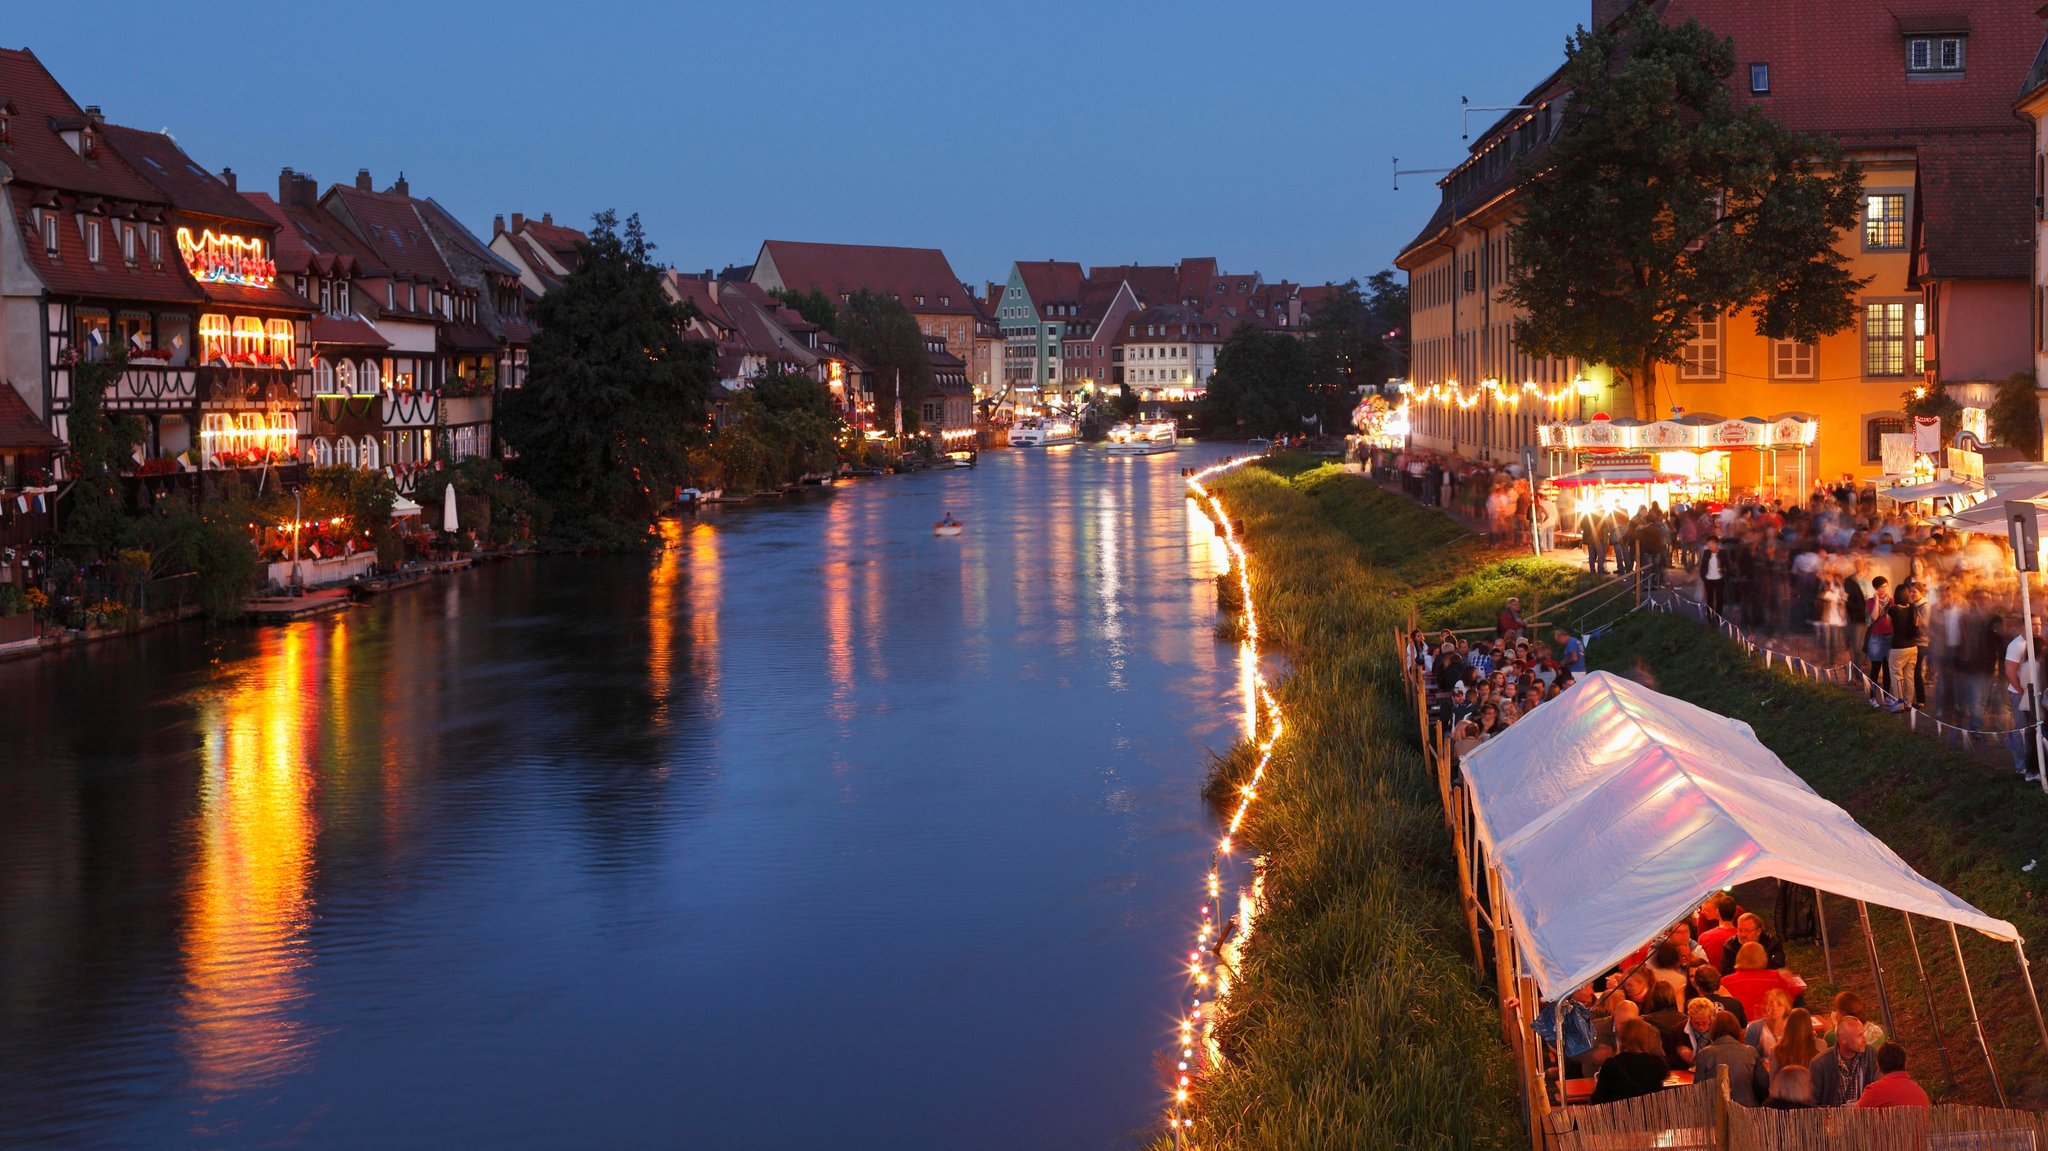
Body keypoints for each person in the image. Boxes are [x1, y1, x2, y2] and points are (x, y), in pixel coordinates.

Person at [1691, 1011, 1767, 1107]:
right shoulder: (1750, 1052)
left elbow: (1698, 1091)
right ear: (1736, 1029)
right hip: (1746, 1112)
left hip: (1714, 1113)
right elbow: (1764, 1085)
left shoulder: (1704, 1054)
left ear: (1713, 1030)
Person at [1590, 1018, 1672, 1104]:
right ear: (1645, 1038)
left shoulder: (1612, 1064)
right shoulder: (1658, 1062)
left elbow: (1598, 1099)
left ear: (1622, 1037)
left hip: (1621, 1115)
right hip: (1651, 1114)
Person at [1809, 1016, 1880, 1106]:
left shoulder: (1871, 1055)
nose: (1865, 1040)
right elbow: (1812, 1104)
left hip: (1863, 1117)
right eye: (1859, 1036)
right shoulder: (1820, 1064)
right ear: (1843, 1039)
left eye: (1863, 1034)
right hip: (1833, 1118)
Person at [2006, 613, 2044, 781]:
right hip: (2019, 693)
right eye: (2033, 624)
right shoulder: (2017, 645)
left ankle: (2034, 765)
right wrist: (2022, 693)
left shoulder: (2037, 643)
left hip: (2034, 694)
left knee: (2033, 730)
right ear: (2023, 626)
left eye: (2039, 623)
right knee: (2021, 729)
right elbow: (2010, 672)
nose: (2037, 626)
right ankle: (2021, 765)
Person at [1721, 942, 1801, 1023]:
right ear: (1763, 957)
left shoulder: (1725, 982)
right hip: (1772, 1027)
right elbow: (1795, 994)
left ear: (1739, 957)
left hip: (1738, 1029)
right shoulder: (1776, 977)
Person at [1856, 1043, 1930, 1108]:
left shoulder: (1875, 1091)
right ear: (1904, 1064)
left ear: (1878, 1066)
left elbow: (1854, 1119)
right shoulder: (1921, 1093)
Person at [1717, 913, 1787, 974]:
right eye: (1740, 930)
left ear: (1758, 931)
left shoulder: (1773, 944)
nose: (1743, 935)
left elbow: (1778, 970)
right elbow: (1725, 973)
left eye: (1747, 931)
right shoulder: (1730, 946)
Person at [1745, 987, 1794, 1067]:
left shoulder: (1793, 1027)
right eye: (1771, 1003)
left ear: (1786, 1007)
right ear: (1765, 1006)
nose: (1774, 1008)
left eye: (1779, 1004)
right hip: (1762, 1073)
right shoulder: (1754, 1029)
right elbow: (1750, 1059)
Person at [1773, 1008, 1826, 1074]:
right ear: (1809, 1025)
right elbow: (1825, 1076)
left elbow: (1773, 1081)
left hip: (1787, 1084)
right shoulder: (1821, 1045)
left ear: (1788, 1025)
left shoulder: (1776, 1050)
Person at [1701, 536, 1727, 616]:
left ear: (1716, 544)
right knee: (1710, 599)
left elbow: (1728, 565)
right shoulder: (1706, 552)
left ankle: (1719, 616)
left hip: (1719, 579)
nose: (1709, 546)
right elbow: (1703, 566)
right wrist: (1703, 576)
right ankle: (1709, 616)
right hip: (1709, 579)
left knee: (1719, 599)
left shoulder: (1723, 553)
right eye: (1708, 545)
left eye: (1710, 544)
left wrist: (1726, 577)